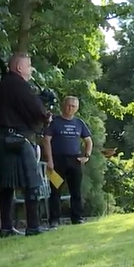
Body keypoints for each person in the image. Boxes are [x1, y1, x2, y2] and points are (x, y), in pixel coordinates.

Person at [0, 53, 52, 237]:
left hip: (1, 138)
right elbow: (36, 111)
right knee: (32, 183)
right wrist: (46, 111)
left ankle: (6, 228)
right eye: (29, 65)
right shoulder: (19, 85)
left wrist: (39, 99)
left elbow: (20, 108)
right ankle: (33, 227)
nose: (31, 69)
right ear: (19, 68)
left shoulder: (3, 85)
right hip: (18, 140)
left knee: (6, 186)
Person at [42, 96, 93, 228]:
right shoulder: (55, 122)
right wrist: (49, 161)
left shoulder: (79, 123)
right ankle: (54, 220)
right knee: (55, 191)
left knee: (75, 191)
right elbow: (46, 140)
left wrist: (86, 156)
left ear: (77, 108)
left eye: (73, 106)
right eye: (68, 105)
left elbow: (88, 140)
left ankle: (77, 218)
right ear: (63, 105)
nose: (70, 108)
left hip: (74, 160)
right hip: (57, 160)